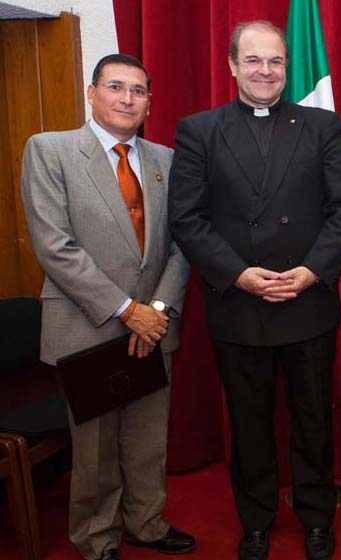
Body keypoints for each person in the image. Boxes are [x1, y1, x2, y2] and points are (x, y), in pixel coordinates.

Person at [167, 20, 341, 560]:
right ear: (231, 66)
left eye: (274, 61)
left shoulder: (322, 126)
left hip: (306, 301)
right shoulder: (199, 130)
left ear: (286, 67)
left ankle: (318, 519)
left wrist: (314, 270)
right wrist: (239, 275)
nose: (265, 71)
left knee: (313, 422)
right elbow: (187, 218)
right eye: (253, 60)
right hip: (239, 303)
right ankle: (255, 523)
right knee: (249, 427)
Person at [20, 54, 194, 560]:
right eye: (115, 87)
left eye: (138, 91)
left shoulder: (167, 159)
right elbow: (54, 245)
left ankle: (147, 523)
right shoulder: (50, 150)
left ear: (149, 103)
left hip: (153, 325)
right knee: (93, 450)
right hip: (87, 322)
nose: (127, 98)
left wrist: (155, 309)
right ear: (91, 92)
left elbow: (184, 244)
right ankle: (97, 540)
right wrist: (125, 309)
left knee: (147, 439)